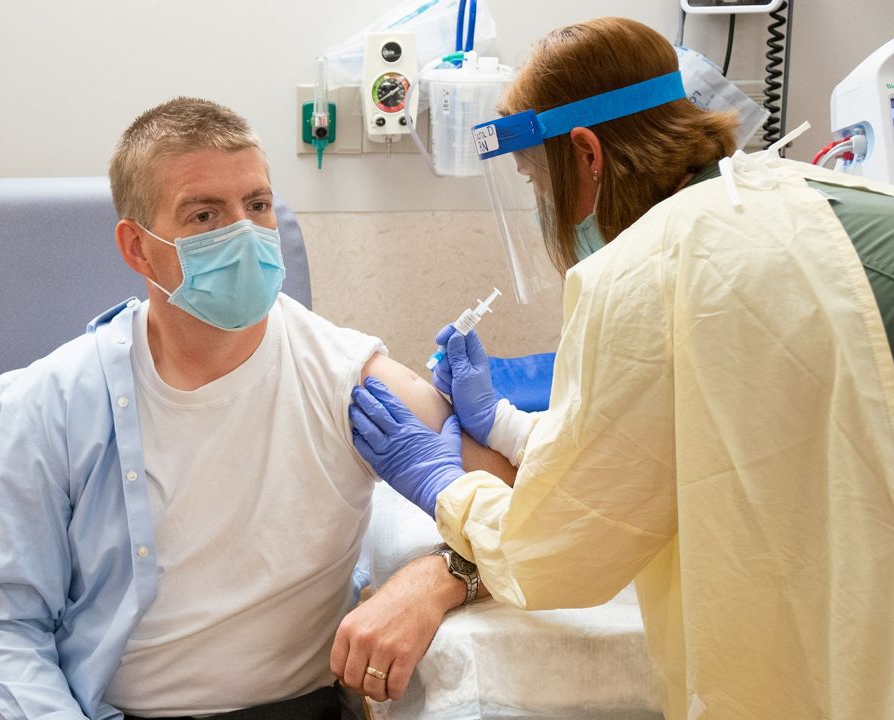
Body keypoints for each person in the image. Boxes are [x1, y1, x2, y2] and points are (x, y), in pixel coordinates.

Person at [349, 17, 894, 720]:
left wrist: (443, 483)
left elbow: (561, 550)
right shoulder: (835, 198)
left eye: (538, 182)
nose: (547, 207)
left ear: (586, 154)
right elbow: (730, 433)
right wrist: (509, 428)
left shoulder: (643, 271)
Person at [0, 97, 515, 720]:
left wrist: (437, 578)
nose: (243, 233)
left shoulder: (343, 375)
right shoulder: (54, 402)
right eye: (204, 215)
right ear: (137, 248)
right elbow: (1, 628)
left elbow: (528, 510)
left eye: (258, 205)